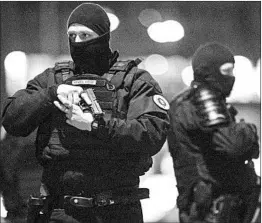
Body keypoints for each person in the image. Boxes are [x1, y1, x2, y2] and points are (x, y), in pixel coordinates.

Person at [2, 3, 170, 223]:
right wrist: (51, 95)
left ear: (103, 36)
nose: (78, 42)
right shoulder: (53, 78)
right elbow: (12, 119)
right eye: (72, 35)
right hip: (60, 210)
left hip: (115, 210)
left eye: (85, 34)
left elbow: (152, 134)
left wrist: (95, 125)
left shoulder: (134, 81)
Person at [167, 42, 260, 223]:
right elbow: (234, 144)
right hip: (210, 209)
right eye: (226, 71)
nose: (231, 77)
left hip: (219, 207)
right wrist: (250, 130)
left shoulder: (194, 102)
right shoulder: (200, 102)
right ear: (208, 71)